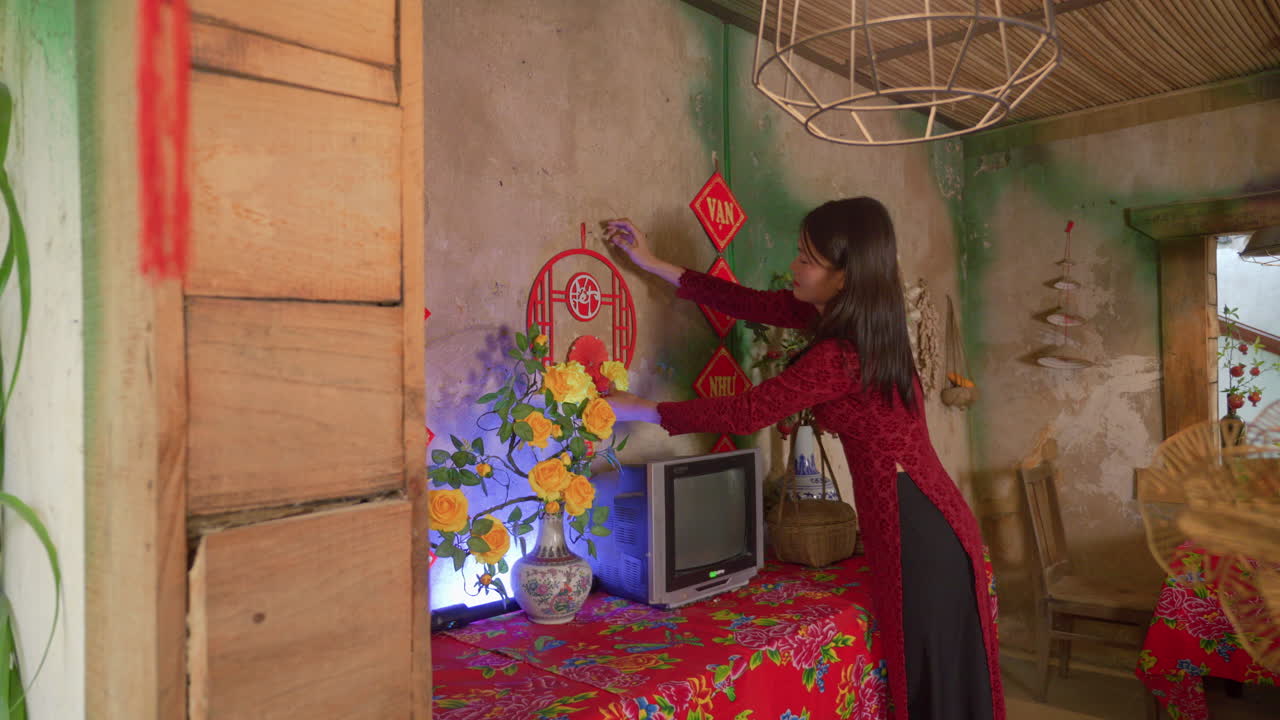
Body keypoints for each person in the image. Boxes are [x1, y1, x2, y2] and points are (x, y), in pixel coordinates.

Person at [602, 198, 1002, 720]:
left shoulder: (841, 355)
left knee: (934, 679)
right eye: (799, 253)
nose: (795, 266)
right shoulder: (860, 321)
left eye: (807, 259)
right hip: (931, 516)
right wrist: (652, 263)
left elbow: (749, 411)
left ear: (843, 277)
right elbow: (748, 302)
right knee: (936, 674)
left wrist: (641, 409)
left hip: (918, 532)